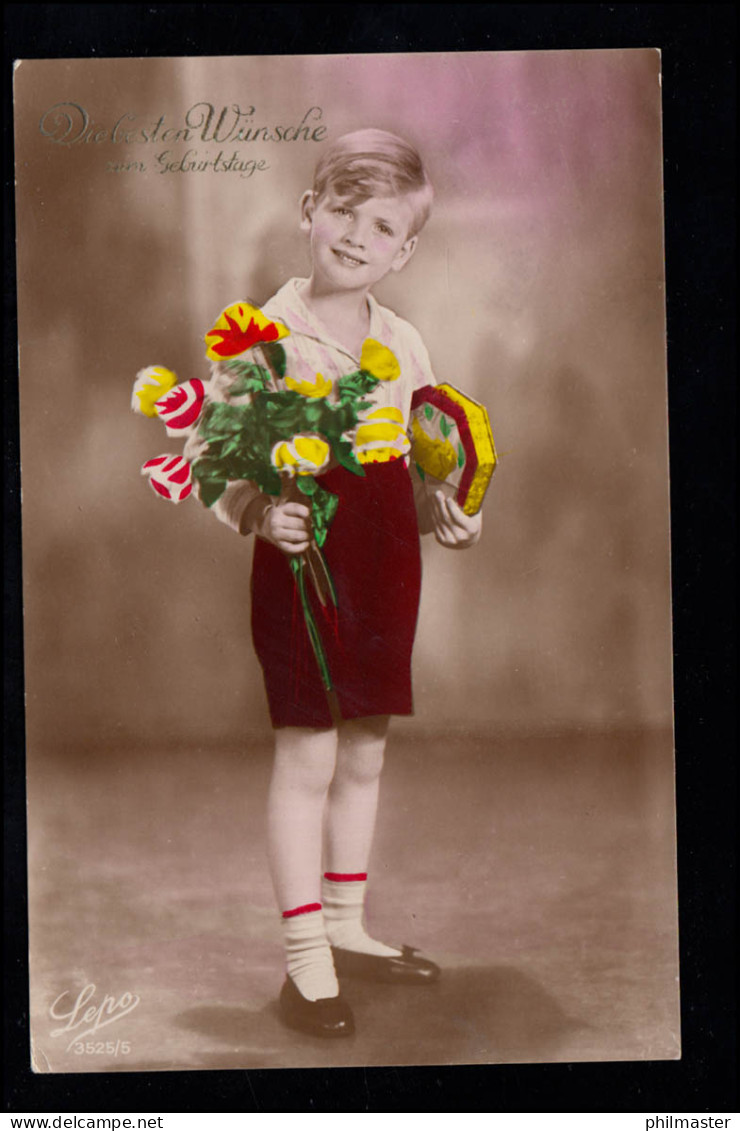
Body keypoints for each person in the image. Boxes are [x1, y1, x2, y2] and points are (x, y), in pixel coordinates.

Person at [191, 129, 482, 1037]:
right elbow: (211, 454)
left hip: (385, 558)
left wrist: (450, 507)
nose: (357, 236)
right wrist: (255, 512)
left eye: (381, 224)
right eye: (343, 212)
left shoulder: (404, 341)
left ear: (406, 248)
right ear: (309, 213)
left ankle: (350, 926)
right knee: (309, 755)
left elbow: (426, 457)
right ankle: (306, 960)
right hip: (303, 560)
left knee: (365, 747)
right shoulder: (263, 336)